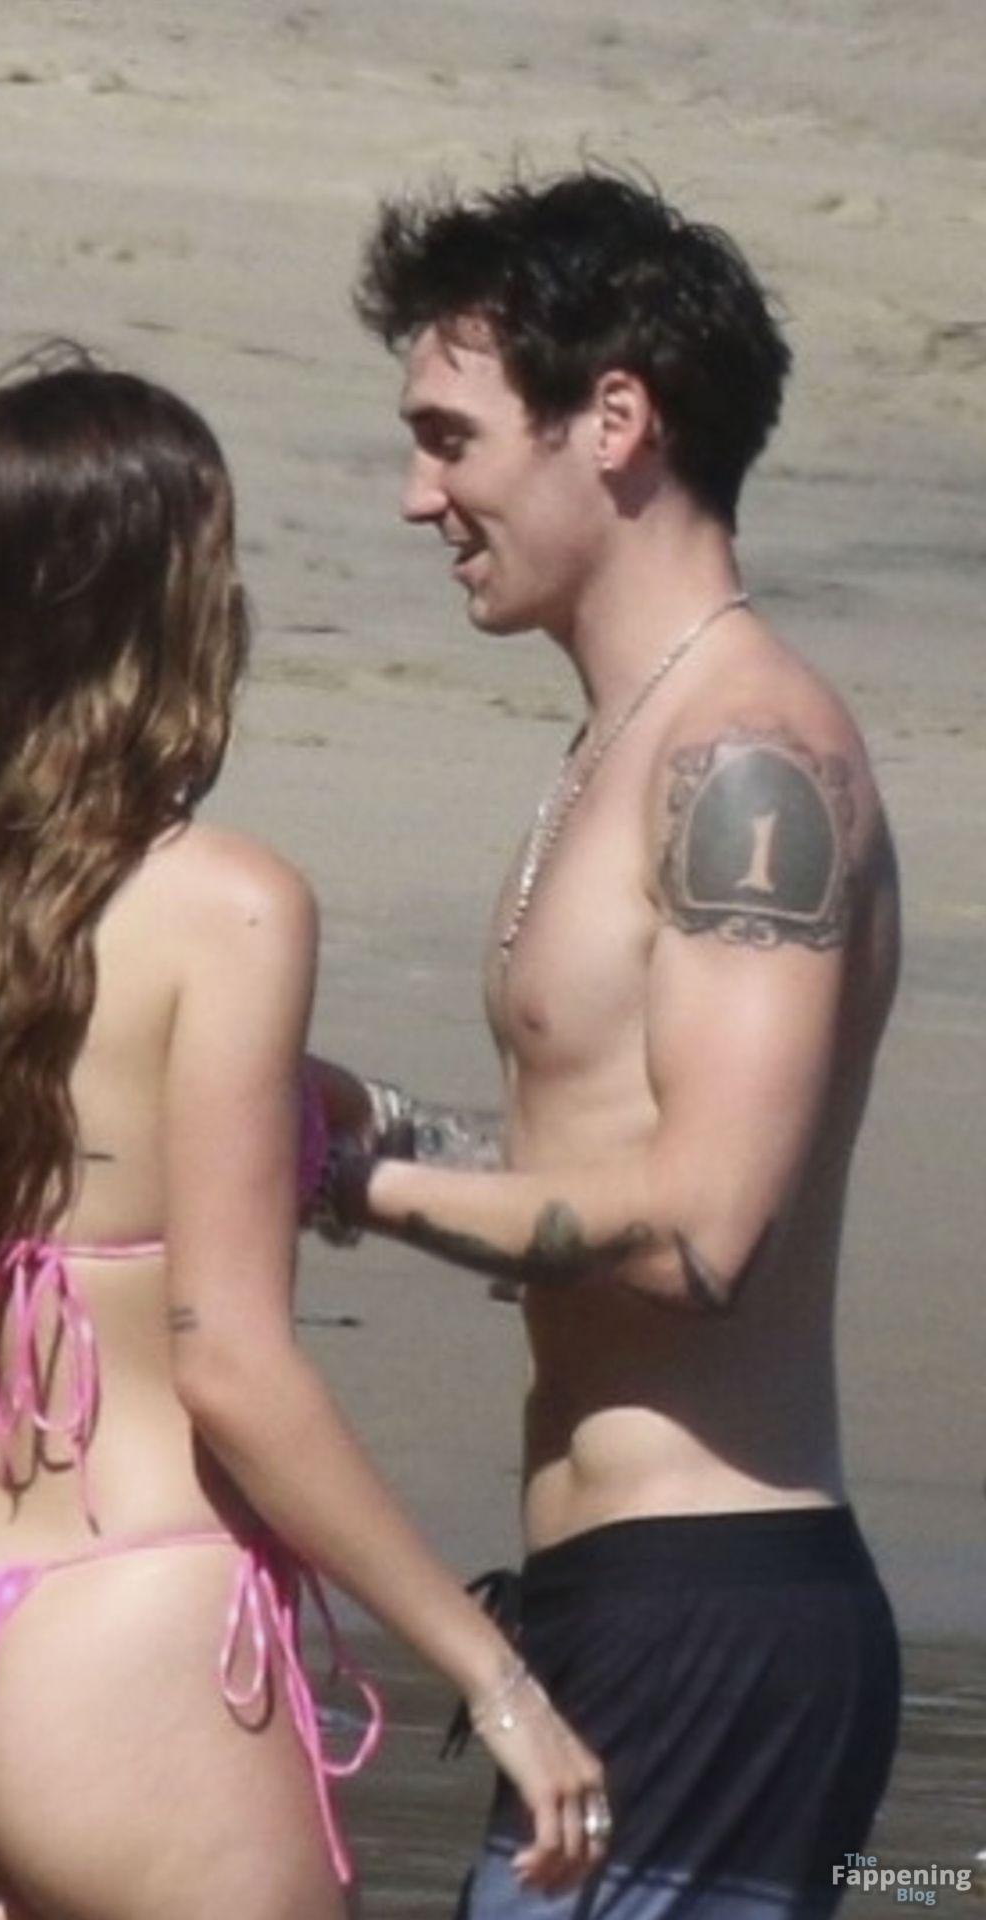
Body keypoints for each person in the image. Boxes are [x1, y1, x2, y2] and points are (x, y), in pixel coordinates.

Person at [0, 349, 608, 1920]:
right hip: (132, 1634)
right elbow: (229, 1363)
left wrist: (343, 1122)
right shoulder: (228, 904)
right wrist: (492, 1672)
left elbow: (71, 1146)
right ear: (171, 604)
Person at [315, 171, 903, 1917]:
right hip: (621, 1606)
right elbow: (598, 1172)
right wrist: (360, 1123)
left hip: (717, 1611)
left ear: (617, 421)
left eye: (452, 439)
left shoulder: (752, 762)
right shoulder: (632, 744)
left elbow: (703, 1234)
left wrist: (359, 1184)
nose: (419, 495)